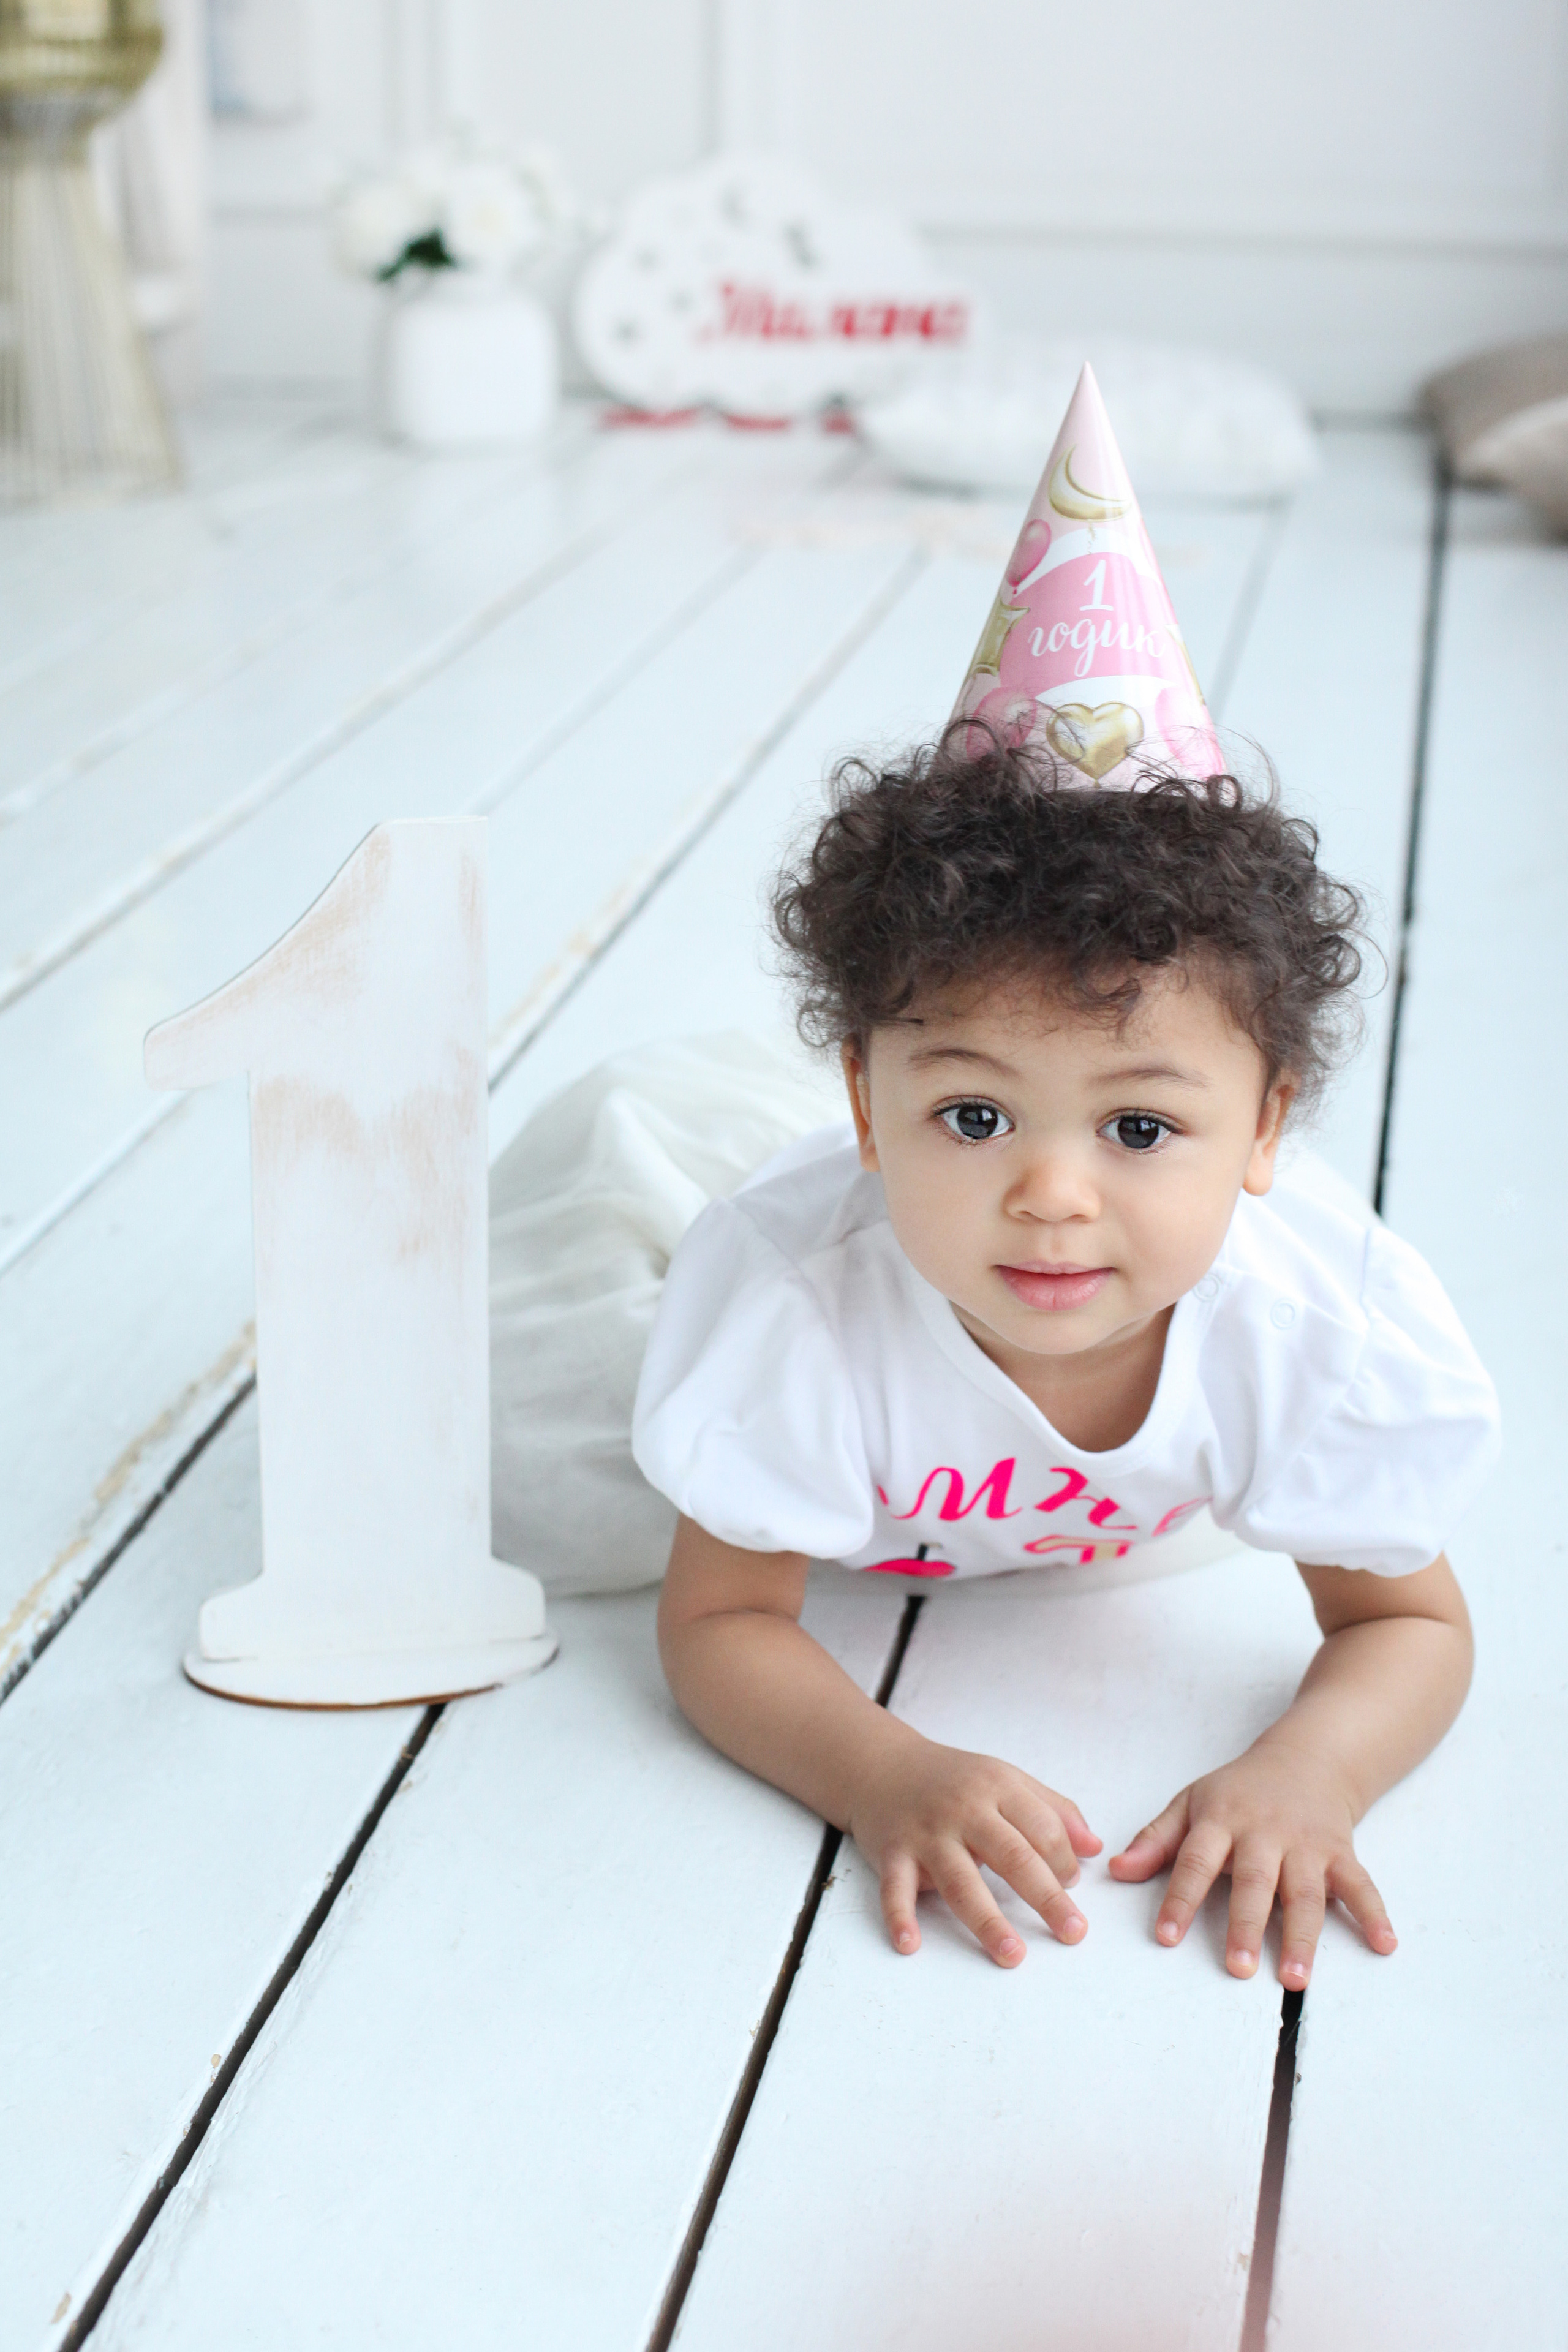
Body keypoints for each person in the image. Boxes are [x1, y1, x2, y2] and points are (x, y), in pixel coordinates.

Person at [631, 737, 1499, 1988]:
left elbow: (1407, 1620)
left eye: (1138, 1127)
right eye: (972, 1118)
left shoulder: (1302, 1332)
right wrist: (881, 1770)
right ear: (868, 1108)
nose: (1050, 1196)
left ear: (1261, 1128)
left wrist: (1310, 1770)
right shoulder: (798, 1317)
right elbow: (718, 1618)